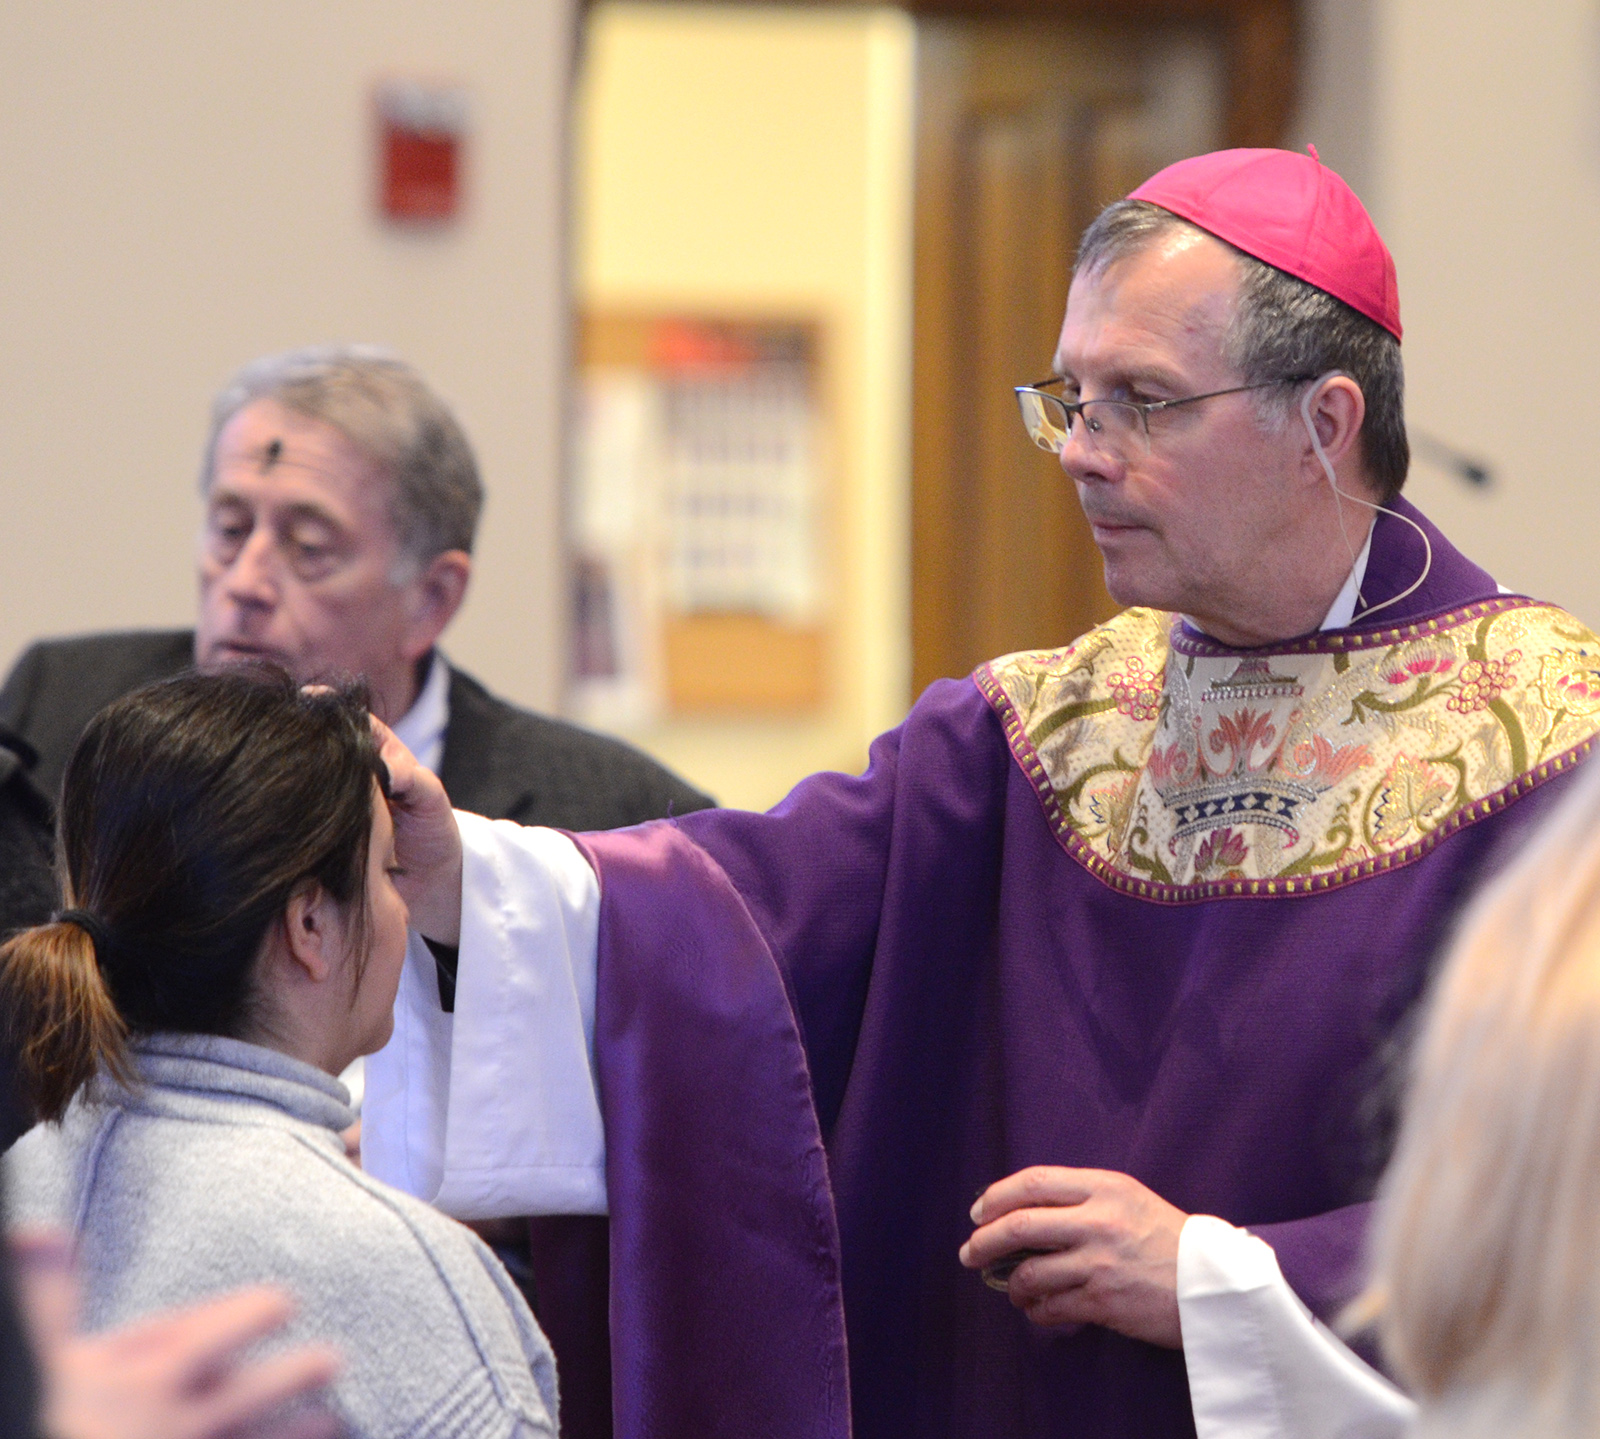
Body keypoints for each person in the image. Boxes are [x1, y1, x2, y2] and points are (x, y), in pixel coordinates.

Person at [361, 148, 1600, 1439]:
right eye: (1072, 396)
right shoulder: (1041, 731)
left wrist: (1219, 1277)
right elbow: (749, 917)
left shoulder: (1549, 746)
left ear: (1326, 426)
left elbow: (1573, 1207)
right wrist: (469, 879)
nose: (1080, 453)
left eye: (1145, 402)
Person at [2, 670, 558, 1439]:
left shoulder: (17, 1195)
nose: (406, 908)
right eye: (391, 871)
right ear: (309, 926)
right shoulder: (405, 1270)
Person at [0, 345, 711, 828]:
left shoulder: (618, 817)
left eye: (309, 547)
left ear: (430, 600)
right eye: (228, 527)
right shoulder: (60, 712)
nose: (244, 582)